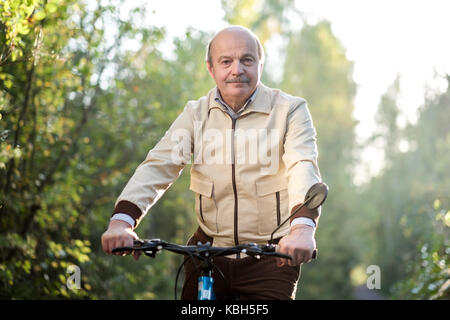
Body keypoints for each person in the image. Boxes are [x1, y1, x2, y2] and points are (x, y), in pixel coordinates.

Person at [101, 25, 322, 300]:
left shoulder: (290, 110)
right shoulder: (195, 114)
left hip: (271, 258)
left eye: (247, 60)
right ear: (211, 68)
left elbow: (302, 165)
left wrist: (301, 228)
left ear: (260, 65)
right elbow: (160, 165)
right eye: (226, 61)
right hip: (206, 255)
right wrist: (122, 221)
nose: (237, 69)